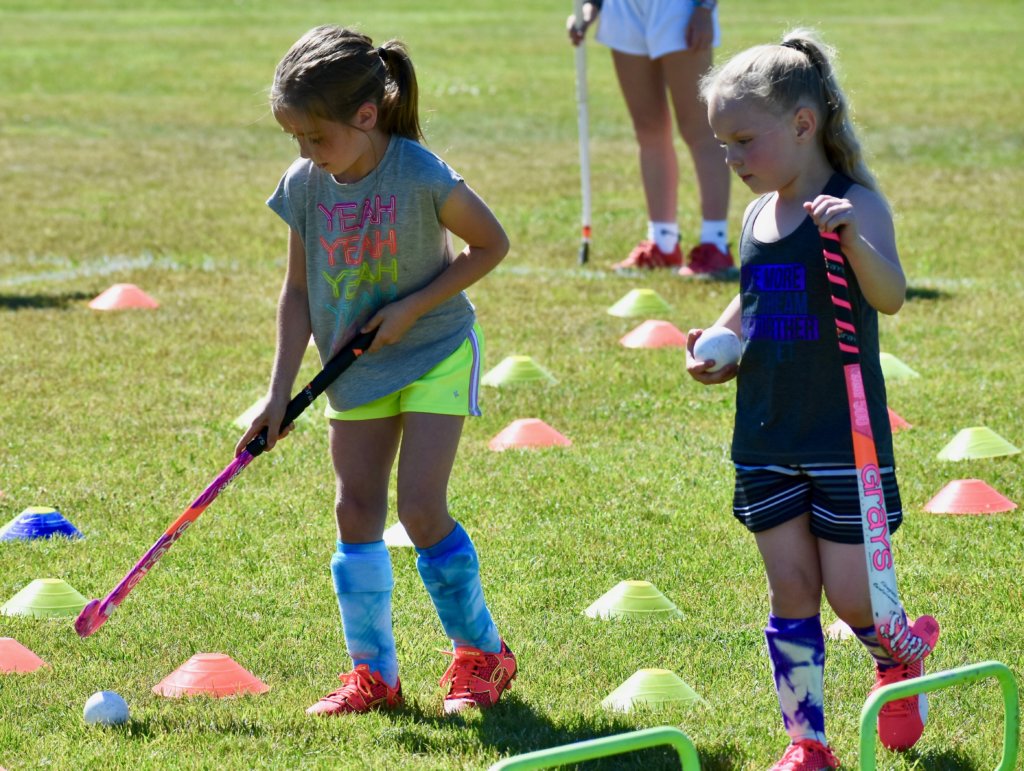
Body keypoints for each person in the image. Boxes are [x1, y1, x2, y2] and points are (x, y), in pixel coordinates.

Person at [236, 24, 516, 717]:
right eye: (295, 138)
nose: (305, 152)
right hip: (353, 366)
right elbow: (297, 292)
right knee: (354, 508)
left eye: (315, 136)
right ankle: (373, 674)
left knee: (419, 507)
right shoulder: (305, 185)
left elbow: (490, 244)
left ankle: (482, 653)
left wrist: (412, 306)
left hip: (434, 351)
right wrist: (277, 394)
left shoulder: (419, 171)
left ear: (366, 116)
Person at [685, 29, 932, 770]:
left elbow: (890, 295)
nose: (732, 160)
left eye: (743, 142)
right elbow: (754, 299)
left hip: (842, 439)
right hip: (766, 436)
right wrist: (721, 346)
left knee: (854, 600)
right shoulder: (757, 217)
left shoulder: (855, 204)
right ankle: (807, 742)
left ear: (802, 124)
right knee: (791, 592)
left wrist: (853, 239)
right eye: (722, 145)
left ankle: (899, 655)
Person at [568, 0, 733, 276]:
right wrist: (590, 8)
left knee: (700, 130)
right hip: (623, 8)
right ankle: (662, 242)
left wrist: (705, 8)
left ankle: (715, 244)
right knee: (648, 129)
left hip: (680, 7)